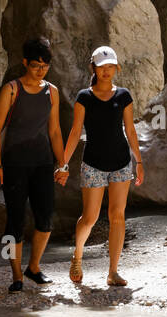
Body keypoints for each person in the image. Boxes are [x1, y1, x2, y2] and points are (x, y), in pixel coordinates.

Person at [59, 45, 143, 287]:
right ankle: (77, 255)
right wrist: (63, 164)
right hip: (93, 163)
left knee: (117, 216)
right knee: (89, 217)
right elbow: (75, 132)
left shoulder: (124, 96)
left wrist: (139, 161)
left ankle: (113, 272)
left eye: (110, 66)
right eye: (101, 67)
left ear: (116, 68)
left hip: (121, 163)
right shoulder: (84, 97)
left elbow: (130, 130)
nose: (106, 71)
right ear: (93, 68)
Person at [0, 36, 66, 292]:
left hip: (42, 162)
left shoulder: (52, 92)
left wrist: (62, 164)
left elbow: (55, 131)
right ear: (25, 63)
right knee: (15, 220)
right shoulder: (11, 90)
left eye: (45, 65)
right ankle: (15, 275)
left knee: (45, 218)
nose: (40, 70)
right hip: (14, 164)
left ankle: (33, 268)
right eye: (35, 65)